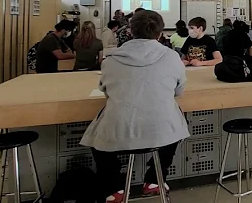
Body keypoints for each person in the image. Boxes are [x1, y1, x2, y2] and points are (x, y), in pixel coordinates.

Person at [80, 10, 188, 201]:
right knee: (178, 121)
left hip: (118, 130)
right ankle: (155, 178)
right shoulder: (172, 57)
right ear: (160, 33)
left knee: (97, 140)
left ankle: (114, 187)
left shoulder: (112, 59)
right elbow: (178, 92)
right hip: (162, 131)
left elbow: (106, 91)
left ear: (130, 31)